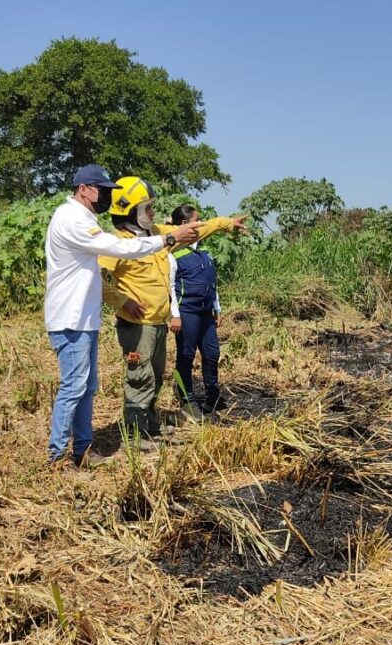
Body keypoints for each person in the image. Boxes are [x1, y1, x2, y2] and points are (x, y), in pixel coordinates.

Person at [44, 164, 199, 466]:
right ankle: (58, 456)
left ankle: (83, 450)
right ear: (84, 189)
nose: (105, 197)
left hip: (84, 319)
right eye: (102, 190)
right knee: (74, 386)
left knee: (86, 387)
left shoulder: (84, 218)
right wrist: (167, 240)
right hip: (69, 318)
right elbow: (117, 247)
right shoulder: (71, 218)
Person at [99, 179, 248, 447]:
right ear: (131, 211)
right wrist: (121, 301)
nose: (153, 213)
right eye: (148, 208)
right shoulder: (115, 244)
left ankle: (149, 423)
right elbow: (95, 279)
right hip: (136, 325)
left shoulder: (155, 234)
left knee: (155, 376)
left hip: (158, 322)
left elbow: (192, 231)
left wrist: (226, 223)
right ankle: (134, 434)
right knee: (139, 377)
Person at [170, 205, 232, 418]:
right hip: (187, 311)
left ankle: (212, 395)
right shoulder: (174, 253)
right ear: (184, 224)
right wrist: (175, 314)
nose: (201, 223)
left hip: (206, 312)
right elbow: (169, 286)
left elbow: (212, 281)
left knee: (212, 353)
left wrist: (217, 307)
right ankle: (187, 400)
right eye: (197, 220)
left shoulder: (205, 251)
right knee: (186, 356)